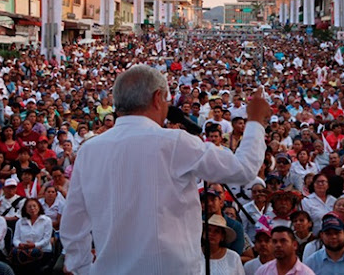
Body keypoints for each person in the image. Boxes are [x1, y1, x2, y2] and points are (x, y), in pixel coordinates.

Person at [60, 66, 270, 274]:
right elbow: (244, 169)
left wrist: (85, 269)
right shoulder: (175, 143)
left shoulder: (89, 150)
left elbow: (73, 225)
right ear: (157, 97)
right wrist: (256, 121)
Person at [11, 198, 53, 274]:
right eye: (29, 207)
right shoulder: (20, 221)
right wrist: (20, 244)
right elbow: (15, 239)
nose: (32, 208)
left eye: (34, 206)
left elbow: (46, 240)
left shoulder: (47, 220)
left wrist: (34, 245)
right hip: (23, 250)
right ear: (25, 209)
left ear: (39, 207)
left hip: (42, 250)